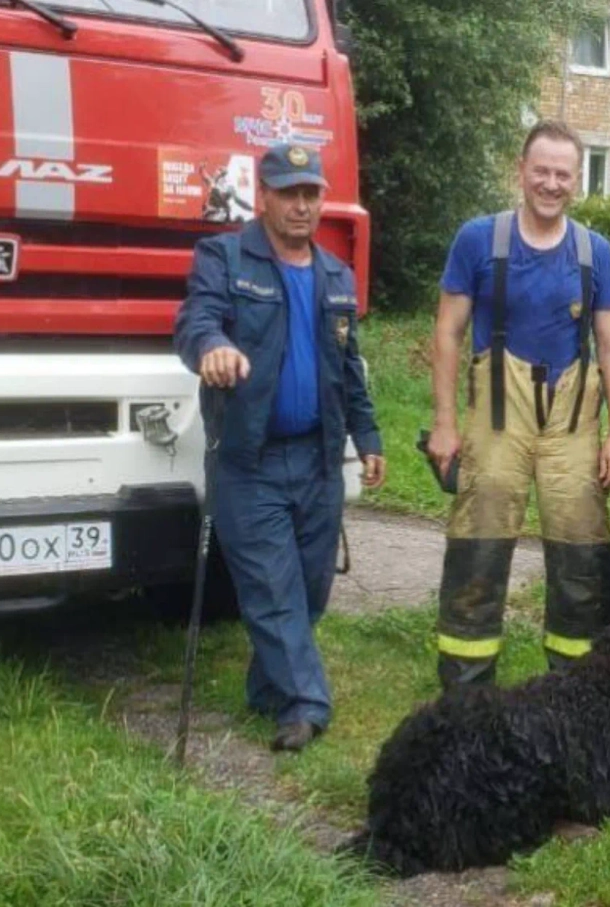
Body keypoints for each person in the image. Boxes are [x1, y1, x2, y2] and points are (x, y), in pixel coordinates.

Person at [174, 143, 385, 751]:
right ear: (262, 196)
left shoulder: (335, 276)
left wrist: (367, 437)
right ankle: (305, 704)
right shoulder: (224, 256)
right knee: (272, 587)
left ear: (322, 198)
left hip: (317, 460)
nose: (300, 205)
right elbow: (194, 322)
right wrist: (212, 345)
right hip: (250, 459)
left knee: (311, 589)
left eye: (310, 193)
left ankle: (268, 688)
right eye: (287, 192)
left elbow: (350, 369)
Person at [427, 120, 610, 689]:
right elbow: (447, 333)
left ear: (577, 181)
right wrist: (444, 424)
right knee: (481, 536)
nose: (551, 183)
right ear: (521, 171)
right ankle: (466, 688)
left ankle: (579, 685)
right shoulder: (478, 240)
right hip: (497, 414)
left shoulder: (597, 253)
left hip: (572, 420)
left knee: (582, 545)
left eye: (563, 174)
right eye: (541, 170)